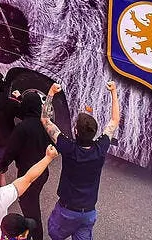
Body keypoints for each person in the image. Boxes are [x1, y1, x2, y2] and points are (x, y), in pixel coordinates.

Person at [41, 82, 121, 240]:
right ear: (94, 132)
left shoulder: (68, 148)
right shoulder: (100, 148)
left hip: (67, 211)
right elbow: (114, 121)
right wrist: (113, 92)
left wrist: (50, 92)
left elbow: (45, 120)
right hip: (88, 213)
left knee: (55, 234)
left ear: (76, 131)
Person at [0, 90, 50, 238]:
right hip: (43, 172)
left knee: (31, 210)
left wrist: (1, 167)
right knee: (32, 201)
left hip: (28, 175)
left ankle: (36, 235)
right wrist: (20, 98)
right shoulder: (46, 125)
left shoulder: (22, 128)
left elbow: (10, 151)